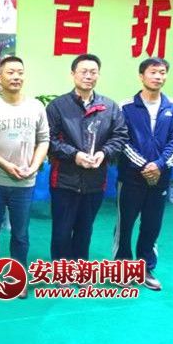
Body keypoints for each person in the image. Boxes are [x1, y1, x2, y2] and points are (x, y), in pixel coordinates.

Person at [0, 56, 49, 299]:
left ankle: (18, 277)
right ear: (0, 77)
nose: (16, 77)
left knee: (21, 233)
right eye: (10, 72)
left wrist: (34, 166)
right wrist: (5, 165)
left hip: (24, 183)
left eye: (20, 72)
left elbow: (44, 140)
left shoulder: (36, 107)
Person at [46, 54, 127, 265]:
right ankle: (62, 270)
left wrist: (104, 153)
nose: (88, 76)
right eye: (84, 71)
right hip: (64, 180)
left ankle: (80, 268)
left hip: (95, 181)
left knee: (85, 229)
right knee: (62, 230)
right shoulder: (57, 106)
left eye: (93, 72)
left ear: (98, 75)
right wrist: (74, 155)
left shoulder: (110, 107)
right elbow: (48, 140)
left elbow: (120, 137)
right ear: (73, 74)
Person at [113, 57, 173, 291]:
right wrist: (145, 165)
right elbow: (122, 140)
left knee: (152, 225)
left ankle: (145, 269)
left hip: (160, 178)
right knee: (124, 225)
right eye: (153, 72)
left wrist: (159, 165)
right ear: (141, 76)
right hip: (130, 178)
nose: (158, 77)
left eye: (162, 72)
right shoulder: (125, 107)